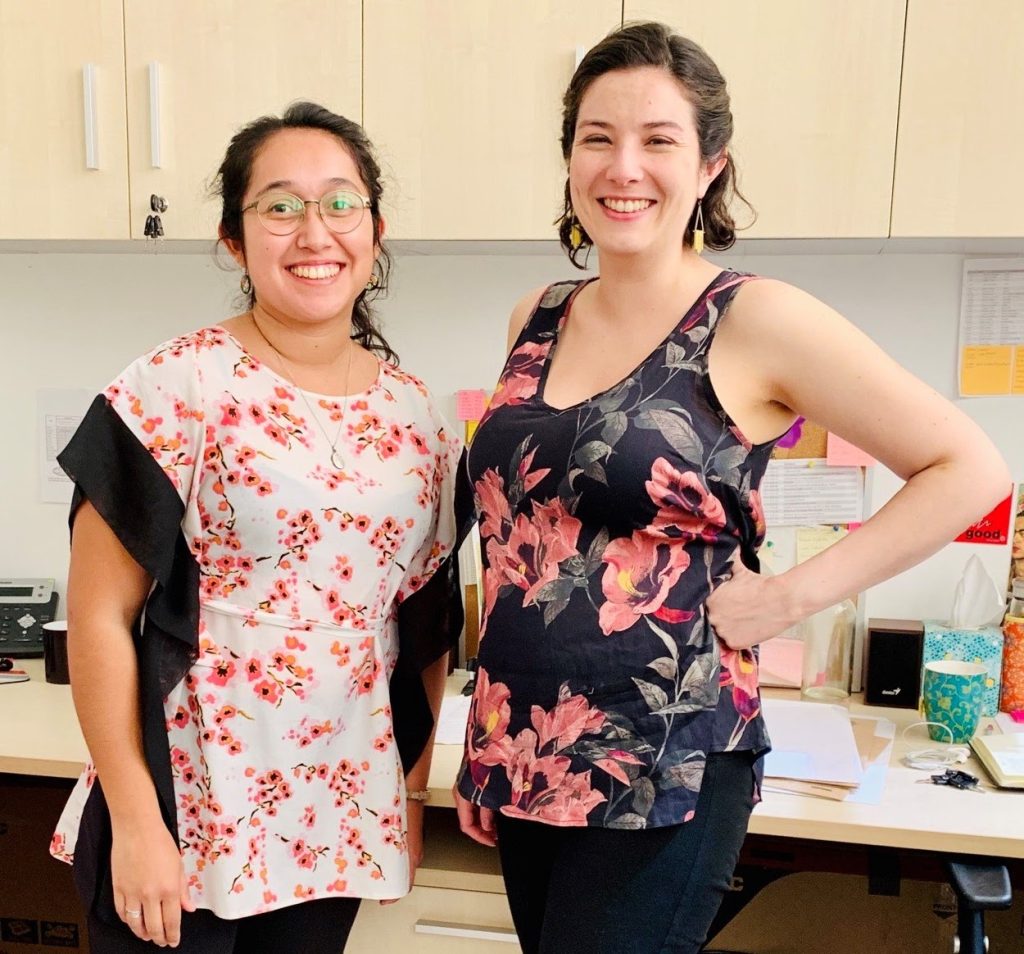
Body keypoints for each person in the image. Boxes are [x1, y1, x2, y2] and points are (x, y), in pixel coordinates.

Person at [453, 21, 1009, 954]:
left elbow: (970, 469)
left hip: (665, 755)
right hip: (525, 745)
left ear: (710, 165)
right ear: (569, 158)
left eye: (658, 140)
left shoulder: (752, 319)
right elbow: (528, 543)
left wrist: (791, 596)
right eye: (598, 138)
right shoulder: (536, 316)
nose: (624, 167)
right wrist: (490, 745)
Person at [50, 102, 465, 952]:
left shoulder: (420, 418)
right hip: (185, 804)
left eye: (340, 203)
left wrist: (410, 797)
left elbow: (425, 630)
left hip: (337, 813)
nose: (315, 232)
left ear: (376, 232)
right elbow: (97, 617)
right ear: (234, 241)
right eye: (280, 206)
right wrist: (136, 822)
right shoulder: (173, 388)